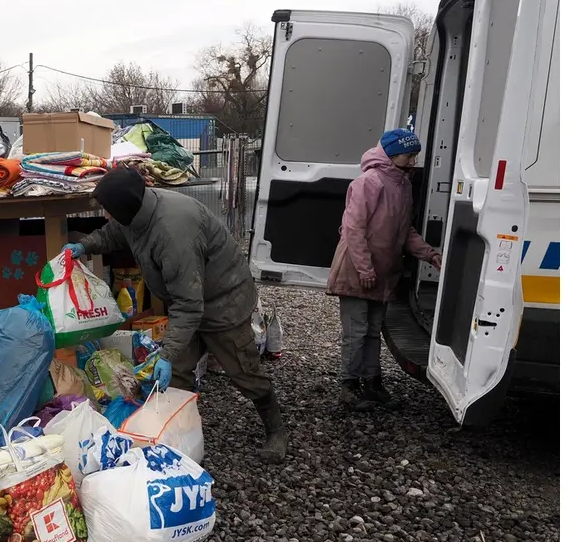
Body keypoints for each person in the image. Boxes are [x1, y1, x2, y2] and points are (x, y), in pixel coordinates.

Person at [63, 167, 290, 463]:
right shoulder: (136, 213)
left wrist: (166, 353)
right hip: (189, 298)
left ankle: (276, 428)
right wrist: (85, 245)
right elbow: (114, 232)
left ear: (124, 208)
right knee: (177, 375)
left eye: (107, 209)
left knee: (243, 371)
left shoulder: (173, 232)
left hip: (223, 299)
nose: (105, 215)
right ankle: (178, 437)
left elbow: (189, 305)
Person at [327, 129, 441, 411]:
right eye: (409, 154)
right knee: (355, 331)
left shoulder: (402, 185)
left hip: (381, 274)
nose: (414, 160)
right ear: (392, 154)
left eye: (415, 155)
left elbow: (405, 230)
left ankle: (372, 384)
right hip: (358, 272)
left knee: (372, 330)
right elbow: (354, 229)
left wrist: (429, 254)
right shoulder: (369, 182)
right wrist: (365, 269)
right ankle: (349, 387)